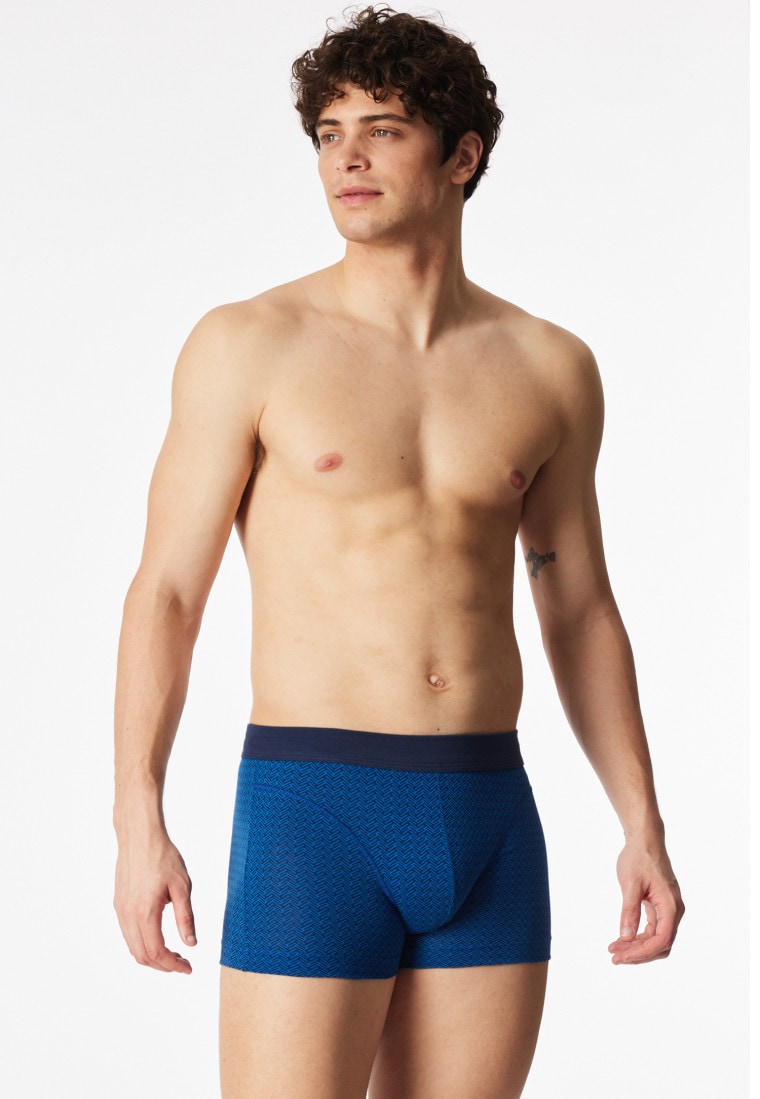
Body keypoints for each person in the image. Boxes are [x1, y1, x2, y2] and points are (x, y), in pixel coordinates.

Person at [113, 7, 684, 1097]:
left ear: (462, 156)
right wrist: (138, 819)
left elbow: (578, 608)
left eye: (382, 129)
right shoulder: (249, 343)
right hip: (313, 813)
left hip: (487, 810)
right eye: (329, 134)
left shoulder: (548, 366)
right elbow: (168, 591)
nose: (349, 158)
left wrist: (641, 823)